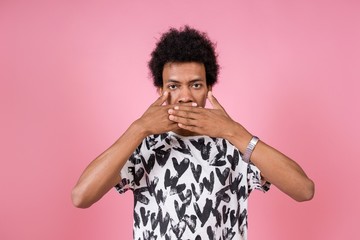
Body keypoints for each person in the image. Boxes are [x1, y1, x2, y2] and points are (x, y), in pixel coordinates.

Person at [72, 26, 314, 240]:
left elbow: (304, 190)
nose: (185, 96)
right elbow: (81, 197)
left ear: (209, 88)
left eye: (196, 85)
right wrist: (138, 128)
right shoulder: (144, 145)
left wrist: (234, 132)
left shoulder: (233, 144)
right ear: (160, 90)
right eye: (174, 86)